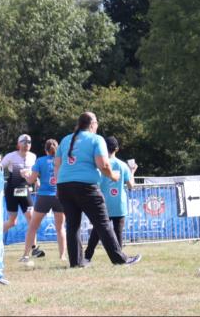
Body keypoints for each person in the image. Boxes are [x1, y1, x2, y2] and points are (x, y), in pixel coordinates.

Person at [54, 112, 142, 268]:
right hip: (86, 187)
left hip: (64, 187)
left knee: (73, 226)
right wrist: (114, 176)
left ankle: (76, 262)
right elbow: (103, 165)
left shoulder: (66, 140)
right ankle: (120, 260)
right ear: (92, 124)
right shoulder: (96, 139)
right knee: (103, 223)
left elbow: (57, 165)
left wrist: (58, 186)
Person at [83, 136, 137, 263]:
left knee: (96, 232)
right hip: (119, 204)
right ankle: (119, 258)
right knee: (118, 233)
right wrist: (132, 172)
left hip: (102, 203)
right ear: (117, 149)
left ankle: (87, 257)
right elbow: (131, 185)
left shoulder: (99, 164)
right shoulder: (123, 165)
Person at [22, 138, 67, 262]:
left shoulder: (40, 161)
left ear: (45, 150)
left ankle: (25, 255)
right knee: (60, 228)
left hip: (44, 197)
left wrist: (25, 175)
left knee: (33, 227)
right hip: (59, 195)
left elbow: (31, 180)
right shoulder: (62, 161)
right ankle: (62, 256)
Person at [0, 135, 39, 256]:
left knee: (31, 218)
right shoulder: (11, 156)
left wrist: (36, 180)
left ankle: (34, 248)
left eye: (29, 142)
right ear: (18, 144)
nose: (27, 143)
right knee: (12, 222)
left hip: (24, 190)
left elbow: (34, 172)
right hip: (12, 190)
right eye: (24, 142)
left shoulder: (33, 156)